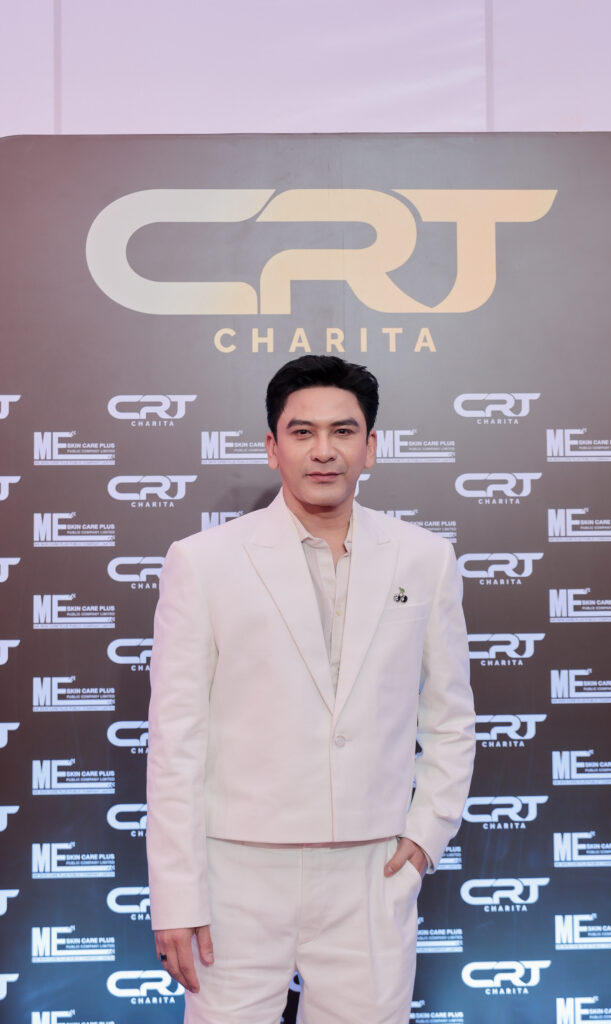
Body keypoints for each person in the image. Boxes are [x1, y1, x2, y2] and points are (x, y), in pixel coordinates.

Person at [146, 354, 475, 1023]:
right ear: (273, 447)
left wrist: (424, 838)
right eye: (302, 432)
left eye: (342, 431)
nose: (323, 451)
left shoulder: (424, 558)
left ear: (370, 447)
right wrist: (177, 896)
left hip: (373, 870)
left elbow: (450, 717)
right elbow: (176, 740)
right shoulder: (203, 562)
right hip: (237, 872)